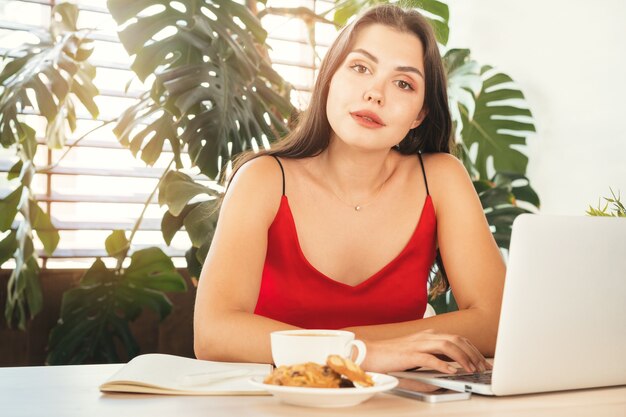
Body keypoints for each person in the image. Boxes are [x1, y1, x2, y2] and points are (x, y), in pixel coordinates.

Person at [194, 4, 505, 375]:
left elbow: (496, 321)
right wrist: (361, 353)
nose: (375, 94)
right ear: (329, 79)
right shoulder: (263, 180)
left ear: (419, 114)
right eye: (360, 68)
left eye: (403, 83)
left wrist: (339, 347)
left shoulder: (440, 179)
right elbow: (213, 334)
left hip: (396, 404)